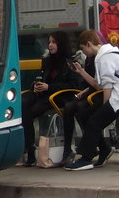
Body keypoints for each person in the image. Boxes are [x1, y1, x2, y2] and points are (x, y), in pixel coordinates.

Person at [64, 29, 119, 171]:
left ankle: (86, 158)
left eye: (83, 49)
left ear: (89, 44)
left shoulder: (104, 58)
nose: (83, 53)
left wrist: (104, 110)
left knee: (95, 120)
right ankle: (103, 149)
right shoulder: (107, 54)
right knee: (85, 114)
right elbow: (97, 84)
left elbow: (106, 87)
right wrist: (81, 72)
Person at [19, 31, 77, 167]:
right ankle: (30, 149)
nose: (50, 45)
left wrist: (49, 87)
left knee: (33, 110)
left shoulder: (70, 62)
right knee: (24, 104)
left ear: (61, 44)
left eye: (54, 42)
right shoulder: (47, 61)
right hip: (45, 95)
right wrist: (36, 86)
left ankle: (64, 151)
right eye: (49, 42)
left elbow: (73, 84)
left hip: (60, 96)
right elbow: (42, 78)